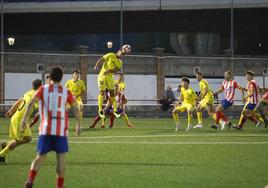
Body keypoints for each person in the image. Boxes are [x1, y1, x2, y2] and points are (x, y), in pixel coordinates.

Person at [22, 66, 81, 188]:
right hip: (60, 131)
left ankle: (30, 181)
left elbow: (31, 102)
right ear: (61, 78)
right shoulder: (66, 92)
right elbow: (75, 107)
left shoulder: (43, 90)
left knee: (40, 157)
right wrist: (78, 124)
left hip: (45, 129)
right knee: (61, 160)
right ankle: (60, 186)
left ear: (50, 76)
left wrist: (24, 120)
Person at [0, 79, 42, 163]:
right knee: (22, 139)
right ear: (40, 86)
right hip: (20, 120)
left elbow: (19, 101)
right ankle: (1, 154)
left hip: (17, 117)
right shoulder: (37, 95)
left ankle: (5, 146)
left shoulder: (28, 92)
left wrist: (11, 110)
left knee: (26, 138)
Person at [94, 44, 131, 119]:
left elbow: (116, 70)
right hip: (102, 75)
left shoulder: (120, 62)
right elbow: (101, 59)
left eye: (122, 54)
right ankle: (100, 110)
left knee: (112, 93)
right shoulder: (110, 55)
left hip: (110, 77)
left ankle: (115, 110)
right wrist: (96, 65)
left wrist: (109, 70)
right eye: (121, 52)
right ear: (118, 51)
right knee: (102, 91)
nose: (121, 54)